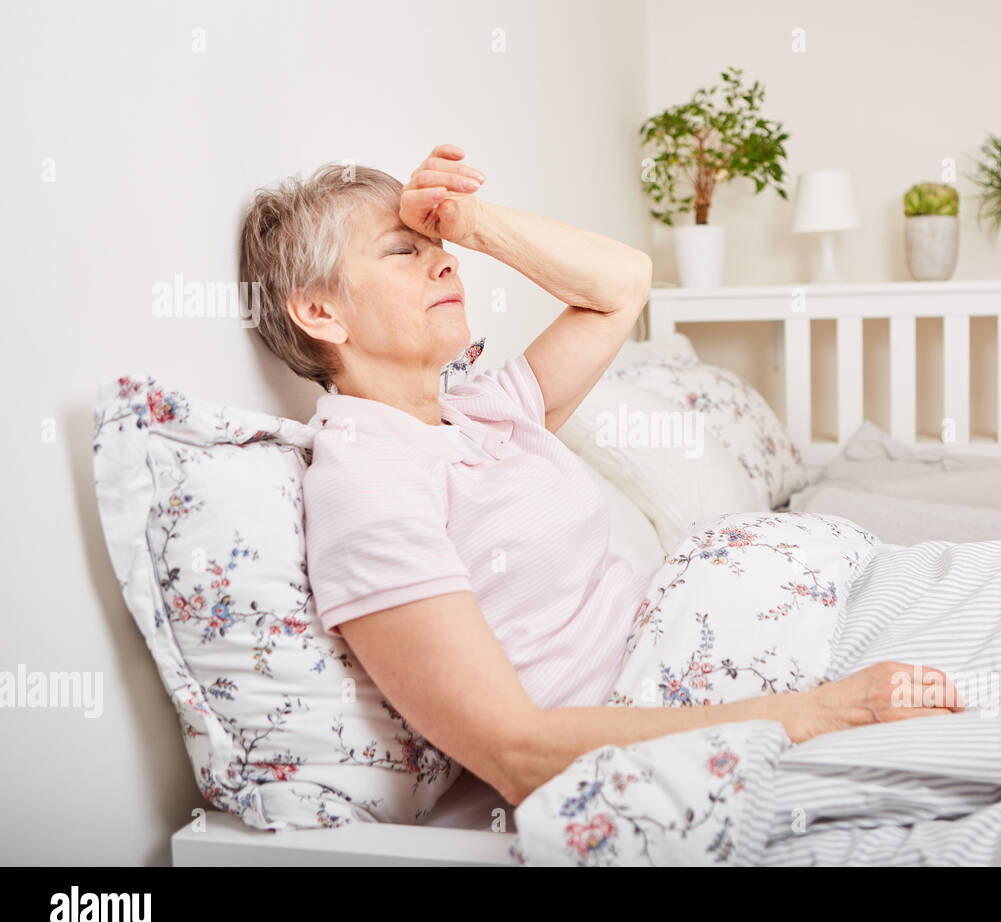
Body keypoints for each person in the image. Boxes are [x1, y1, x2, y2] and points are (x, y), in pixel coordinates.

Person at [237, 144, 963, 807]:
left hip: (786, 635)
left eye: (444, 249)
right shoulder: (367, 481)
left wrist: (474, 220)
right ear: (319, 311)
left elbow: (622, 285)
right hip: (698, 718)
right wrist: (822, 714)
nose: (448, 262)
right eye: (404, 250)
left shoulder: (478, 411)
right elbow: (514, 748)